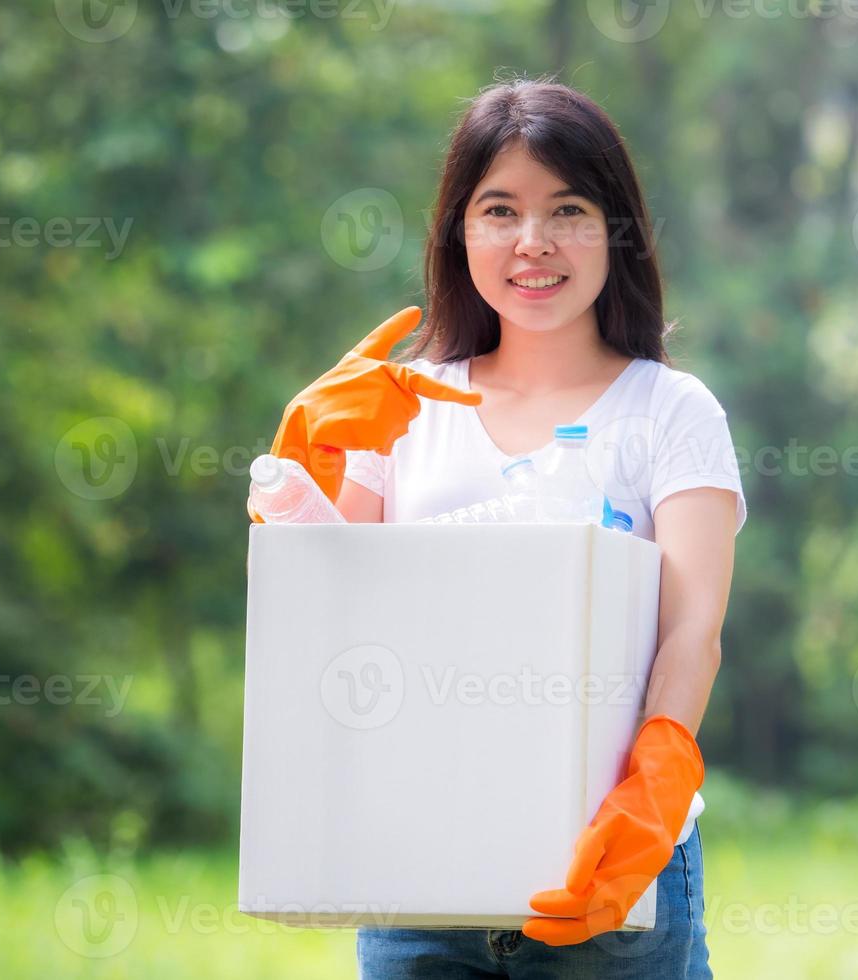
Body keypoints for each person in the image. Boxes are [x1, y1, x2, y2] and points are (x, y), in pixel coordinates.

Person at [251, 75, 744, 979]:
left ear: (616, 229)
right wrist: (300, 467)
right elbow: (329, 613)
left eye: (568, 209)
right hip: (413, 868)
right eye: (498, 210)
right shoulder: (402, 408)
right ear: (457, 231)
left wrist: (654, 786)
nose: (533, 242)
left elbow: (691, 626)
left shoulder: (671, 411)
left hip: (607, 867)